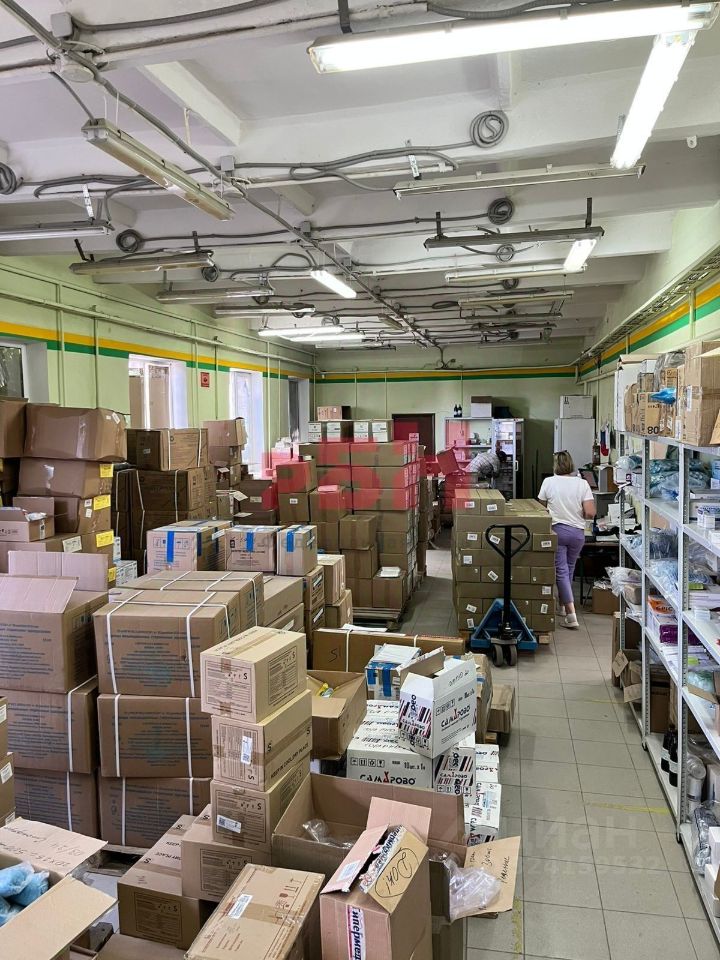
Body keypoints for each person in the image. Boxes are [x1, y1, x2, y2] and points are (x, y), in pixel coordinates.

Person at [537, 450, 596, 630]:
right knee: (569, 569)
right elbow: (590, 513)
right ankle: (562, 607)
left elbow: (540, 508)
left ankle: (571, 615)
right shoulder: (582, 483)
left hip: (558, 531)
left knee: (561, 572)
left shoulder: (549, 482)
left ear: (555, 465)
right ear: (570, 463)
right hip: (577, 533)